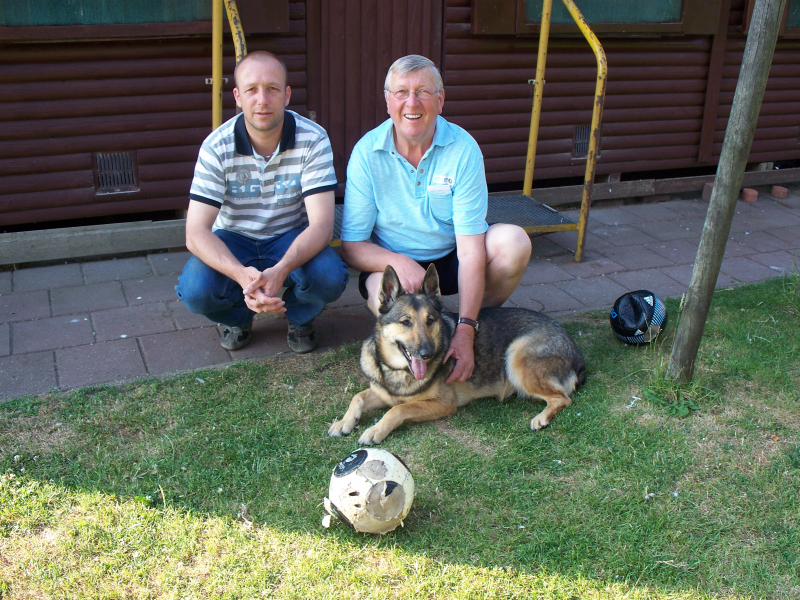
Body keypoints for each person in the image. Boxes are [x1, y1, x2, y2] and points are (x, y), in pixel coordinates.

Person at [340, 54, 532, 382]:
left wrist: (467, 333)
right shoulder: (366, 153)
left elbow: (471, 251)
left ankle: (464, 326)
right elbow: (352, 246)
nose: (411, 102)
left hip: (450, 257)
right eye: (401, 92)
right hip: (395, 263)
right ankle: (419, 337)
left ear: (440, 100)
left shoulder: (463, 149)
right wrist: (398, 262)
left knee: (514, 242)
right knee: (377, 290)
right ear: (388, 101)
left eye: (423, 92)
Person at [176, 51, 348, 353]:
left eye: (272, 88)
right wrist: (243, 276)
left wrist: (281, 270)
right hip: (233, 238)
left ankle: (299, 317)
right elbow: (196, 232)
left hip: (289, 235)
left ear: (287, 95)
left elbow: (322, 225)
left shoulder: (313, 139)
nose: (262, 99)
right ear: (237, 96)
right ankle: (238, 318)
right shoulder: (216, 146)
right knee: (195, 291)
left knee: (330, 277)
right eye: (252, 89)